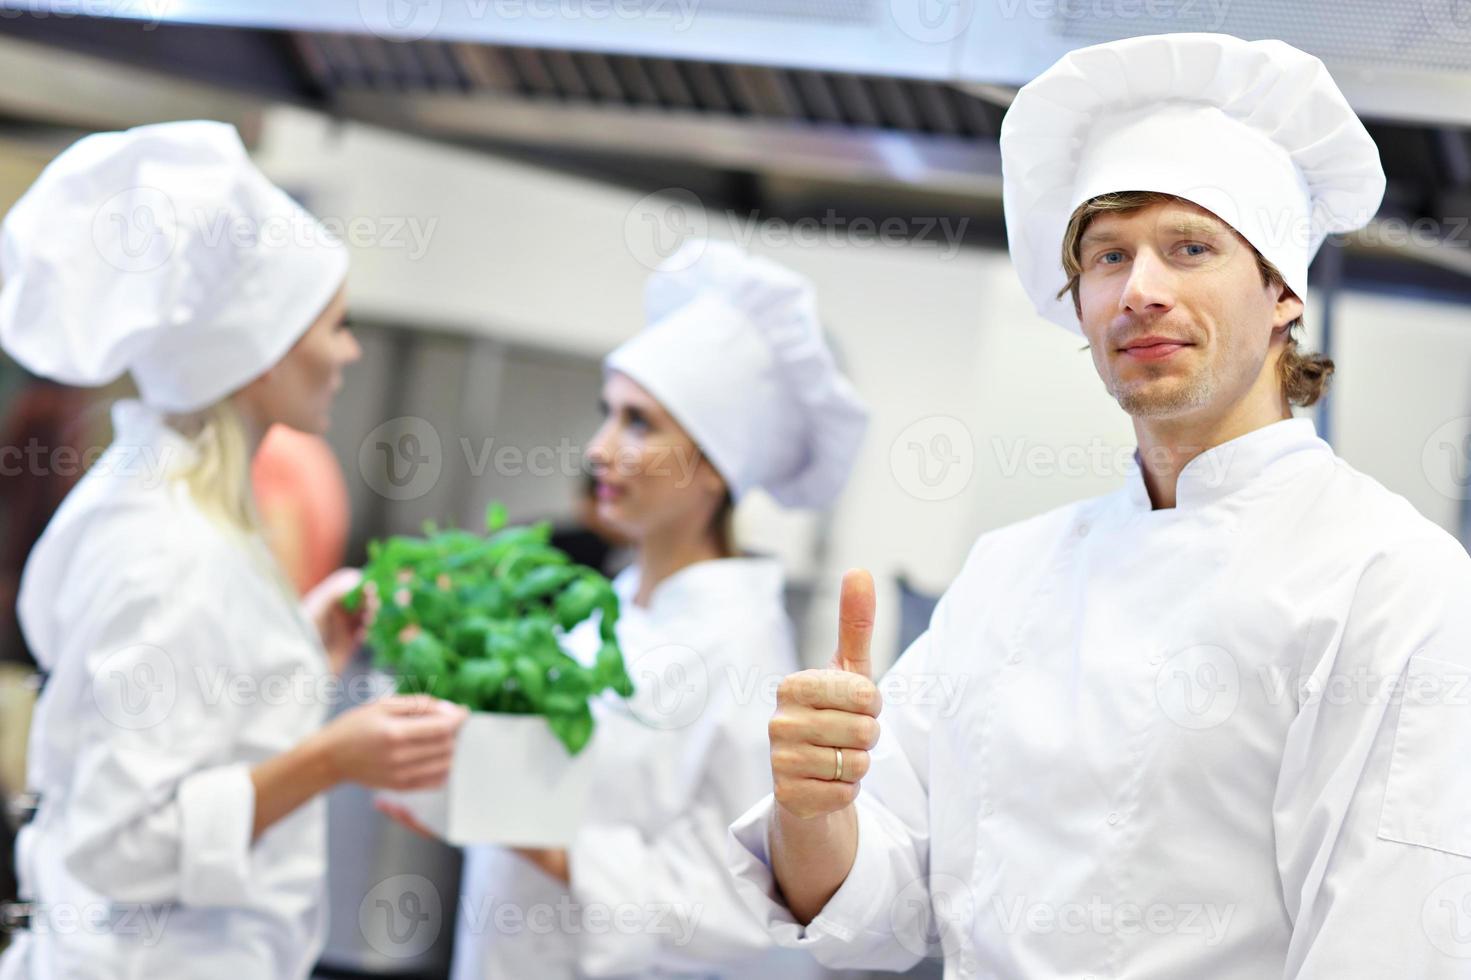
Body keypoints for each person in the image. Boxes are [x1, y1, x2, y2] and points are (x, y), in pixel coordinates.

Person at [728, 32, 1471, 978]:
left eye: (1189, 247)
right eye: (1107, 256)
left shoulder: (1389, 580)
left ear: (1282, 288)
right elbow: (879, 912)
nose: (1140, 291)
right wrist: (812, 808)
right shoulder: (1009, 573)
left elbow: (1387, 947)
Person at [0, 121, 467, 978]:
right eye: (334, 325)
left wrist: (300, 662)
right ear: (258, 353)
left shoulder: (178, 508)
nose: (349, 352)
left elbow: (190, 740)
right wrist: (332, 756)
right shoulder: (167, 548)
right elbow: (121, 842)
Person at [384, 239, 869, 978]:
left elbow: (747, 911)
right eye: (606, 414)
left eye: (639, 423)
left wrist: (534, 838)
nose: (600, 450)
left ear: (712, 465)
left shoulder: (742, 651)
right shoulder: (600, 612)